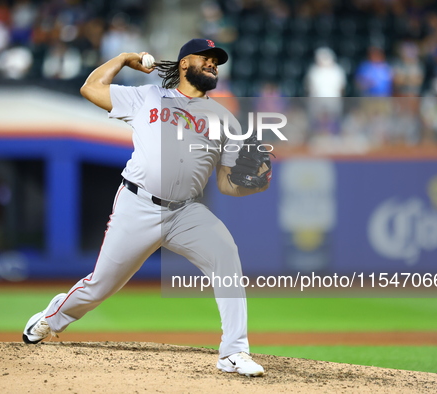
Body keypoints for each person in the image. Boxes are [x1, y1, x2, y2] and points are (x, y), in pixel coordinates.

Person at [22, 38, 269, 377]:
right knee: (100, 286)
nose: (213, 64)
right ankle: (53, 318)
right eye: (206, 58)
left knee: (226, 255)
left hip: (185, 212)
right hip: (137, 204)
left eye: (216, 61)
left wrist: (254, 183)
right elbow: (91, 87)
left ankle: (234, 351)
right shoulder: (148, 96)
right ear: (184, 64)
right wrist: (124, 58)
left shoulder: (224, 118)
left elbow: (227, 184)